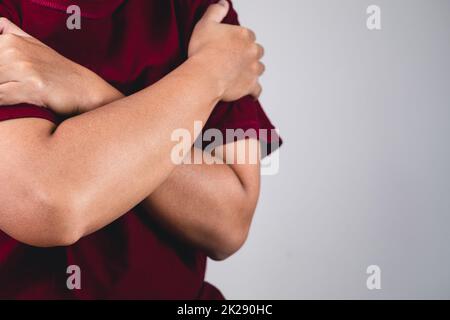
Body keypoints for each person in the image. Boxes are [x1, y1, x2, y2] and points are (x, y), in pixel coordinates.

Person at [0, 0, 280, 299]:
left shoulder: (198, 9)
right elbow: (49, 203)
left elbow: (229, 222)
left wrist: (87, 90)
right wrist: (211, 72)